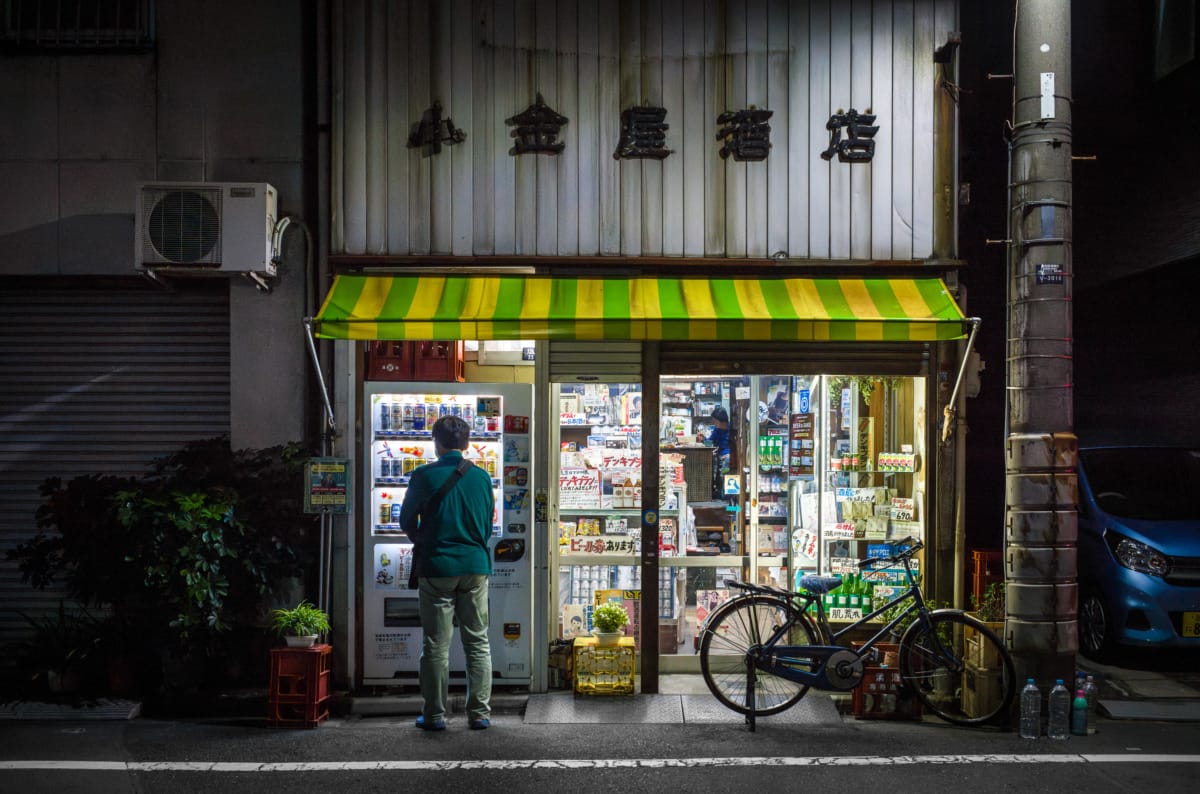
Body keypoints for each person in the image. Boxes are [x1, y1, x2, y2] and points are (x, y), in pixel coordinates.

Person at [399, 414, 494, 731]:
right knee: (477, 642)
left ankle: (435, 715)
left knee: (436, 645)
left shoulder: (423, 475)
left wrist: (425, 541)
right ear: (466, 444)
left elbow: (406, 521)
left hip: (437, 566)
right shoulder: (481, 477)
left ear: (436, 443)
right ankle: (479, 713)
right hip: (475, 566)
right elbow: (485, 525)